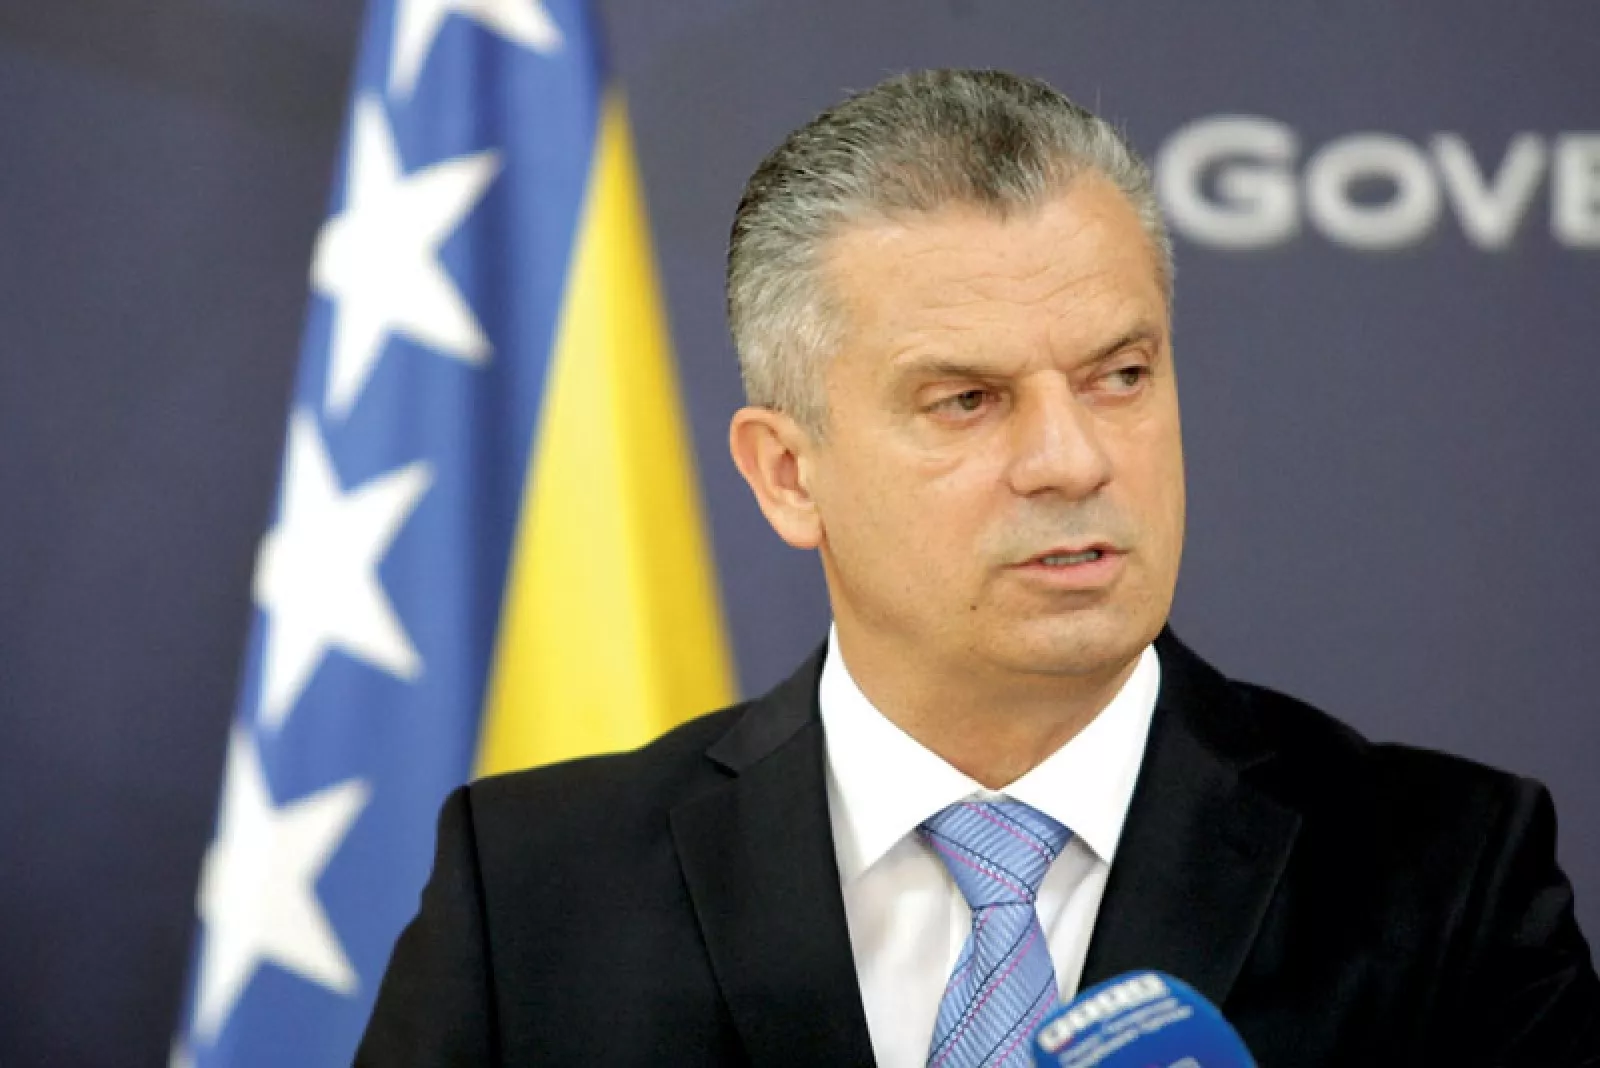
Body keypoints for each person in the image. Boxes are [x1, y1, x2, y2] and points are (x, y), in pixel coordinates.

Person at [356, 69, 1600, 1067]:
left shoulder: (1445, 876)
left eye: (1121, 376)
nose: (1071, 458)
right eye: (966, 399)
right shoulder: (533, 893)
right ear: (787, 474)